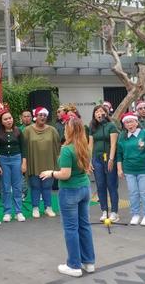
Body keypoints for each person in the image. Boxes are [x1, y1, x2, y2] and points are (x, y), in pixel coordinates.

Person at [39, 116, 95, 278]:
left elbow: (65, 174)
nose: (64, 128)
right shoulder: (84, 146)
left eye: (65, 127)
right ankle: (89, 262)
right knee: (84, 226)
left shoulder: (67, 149)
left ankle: (74, 265)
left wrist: (50, 173)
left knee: (71, 228)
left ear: (69, 130)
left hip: (70, 191)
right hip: (85, 188)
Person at [116, 113, 145, 226]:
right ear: (124, 125)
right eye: (127, 122)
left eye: (131, 121)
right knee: (133, 193)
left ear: (136, 122)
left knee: (144, 192)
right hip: (129, 170)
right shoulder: (123, 136)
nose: (129, 124)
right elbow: (119, 154)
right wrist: (119, 169)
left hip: (144, 169)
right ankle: (135, 214)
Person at [23, 107, 61, 218]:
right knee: (35, 186)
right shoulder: (27, 130)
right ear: (35, 117)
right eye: (40, 115)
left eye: (44, 115)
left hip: (48, 162)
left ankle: (48, 207)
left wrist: (58, 162)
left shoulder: (52, 130)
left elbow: (57, 147)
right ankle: (35, 208)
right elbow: (23, 147)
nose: (43, 117)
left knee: (47, 186)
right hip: (33, 162)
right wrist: (24, 162)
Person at [89, 105, 120, 222]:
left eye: (101, 111)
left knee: (111, 185)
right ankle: (104, 210)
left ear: (106, 114)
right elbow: (90, 145)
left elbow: (113, 144)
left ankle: (114, 212)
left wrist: (111, 159)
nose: (99, 113)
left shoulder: (111, 126)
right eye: (96, 112)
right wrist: (89, 160)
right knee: (100, 185)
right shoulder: (92, 127)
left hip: (109, 158)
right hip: (97, 159)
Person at [0, 110, 26, 222]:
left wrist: (24, 163)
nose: (9, 120)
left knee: (17, 186)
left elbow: (24, 148)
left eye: (10, 118)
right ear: (1, 121)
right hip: (3, 160)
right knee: (5, 187)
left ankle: (19, 212)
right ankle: (7, 211)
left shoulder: (18, 131)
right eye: (5, 119)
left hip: (16, 159)